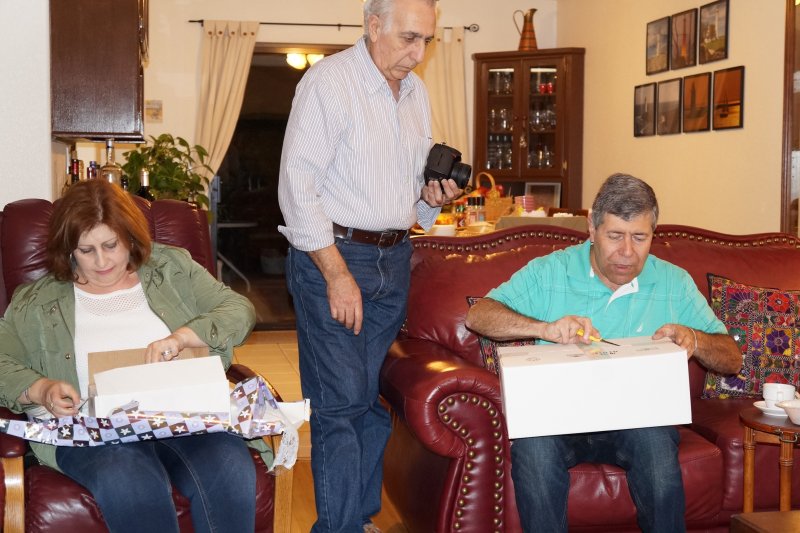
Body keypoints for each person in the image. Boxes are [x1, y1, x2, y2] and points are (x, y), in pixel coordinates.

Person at [465, 173, 741, 533]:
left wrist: (695, 338)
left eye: (639, 238)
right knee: (533, 450)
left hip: (638, 418)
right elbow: (478, 316)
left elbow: (732, 359)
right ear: (592, 229)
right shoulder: (551, 271)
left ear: (653, 234)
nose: (627, 252)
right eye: (614, 236)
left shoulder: (673, 282)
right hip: (556, 415)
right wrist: (543, 328)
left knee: (656, 446)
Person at [277, 0, 460, 531]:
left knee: (370, 402)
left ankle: (356, 519)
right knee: (339, 406)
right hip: (336, 257)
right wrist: (336, 274)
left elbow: (412, 198)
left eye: (427, 41)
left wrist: (431, 196)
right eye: (409, 38)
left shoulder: (416, 93)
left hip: (393, 258)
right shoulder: (328, 83)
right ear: (373, 26)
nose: (418, 53)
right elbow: (297, 190)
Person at [0, 179, 258, 533]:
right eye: (86, 250)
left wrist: (184, 336)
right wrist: (41, 388)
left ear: (130, 236)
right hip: (92, 432)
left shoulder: (171, 268)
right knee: (133, 481)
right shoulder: (37, 301)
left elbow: (239, 309)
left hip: (183, 417)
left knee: (228, 467)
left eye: (111, 245)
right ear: (68, 248)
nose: (102, 261)